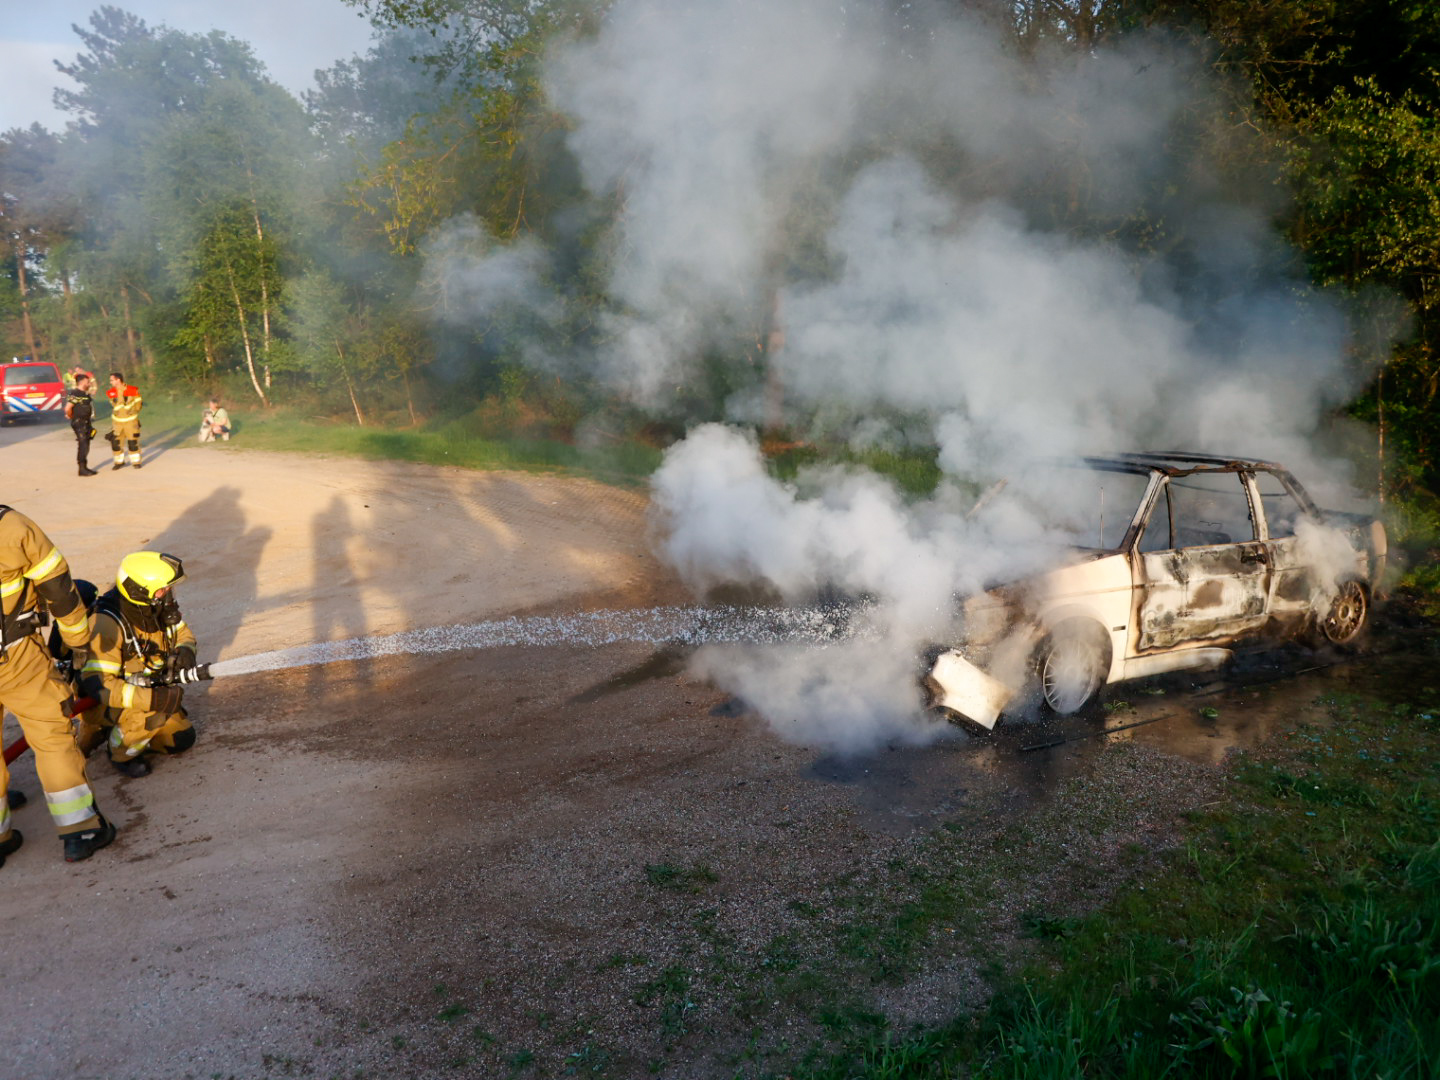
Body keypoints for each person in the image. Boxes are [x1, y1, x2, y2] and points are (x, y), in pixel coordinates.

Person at [0, 504, 115, 865]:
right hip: (16, 657)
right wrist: (78, 640)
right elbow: (60, 590)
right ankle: (80, 830)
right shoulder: (11, 527)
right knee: (52, 738)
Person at [78, 552, 200, 778]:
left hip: (141, 689)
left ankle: (120, 729)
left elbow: (182, 633)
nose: (168, 595)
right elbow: (101, 686)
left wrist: (185, 651)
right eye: (163, 589)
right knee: (152, 714)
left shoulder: (154, 609)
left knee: (180, 739)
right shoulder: (106, 624)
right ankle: (119, 752)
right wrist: (153, 700)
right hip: (101, 701)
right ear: (140, 591)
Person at [105, 371, 143, 471]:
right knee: (116, 443)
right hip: (117, 423)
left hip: (130, 422)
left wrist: (133, 412)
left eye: (112, 380)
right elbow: (114, 406)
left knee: (133, 443)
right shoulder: (111, 392)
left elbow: (138, 404)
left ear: (118, 380)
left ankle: (136, 462)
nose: (110, 382)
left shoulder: (132, 390)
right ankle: (119, 462)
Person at [65, 371, 98, 477]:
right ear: (82, 382)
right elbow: (68, 408)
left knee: (86, 444)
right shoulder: (75, 393)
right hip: (79, 423)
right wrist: (72, 417)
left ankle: (85, 467)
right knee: (83, 444)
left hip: (86, 422)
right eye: (88, 382)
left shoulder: (85, 395)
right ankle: (82, 469)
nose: (89, 384)